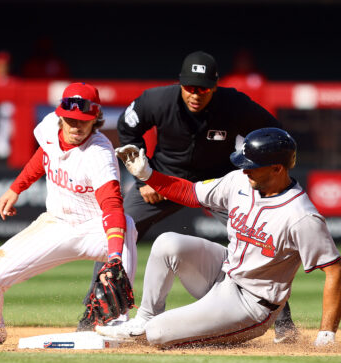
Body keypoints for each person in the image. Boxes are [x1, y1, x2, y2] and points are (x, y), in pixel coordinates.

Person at [81, 50, 295, 343]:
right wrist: (143, 178)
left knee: (259, 236)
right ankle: (95, 313)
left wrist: (248, 165)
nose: (196, 94)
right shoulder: (157, 100)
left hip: (219, 185)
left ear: (215, 86)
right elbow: (128, 127)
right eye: (190, 87)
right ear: (180, 83)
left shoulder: (234, 104)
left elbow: (274, 133)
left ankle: (284, 323)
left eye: (203, 88)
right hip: (163, 181)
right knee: (118, 229)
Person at [96, 128, 341, 348]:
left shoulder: (301, 216)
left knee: (158, 333)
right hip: (223, 272)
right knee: (167, 243)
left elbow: (334, 271)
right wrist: (149, 175)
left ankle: (160, 329)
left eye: (252, 165)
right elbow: (191, 193)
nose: (245, 169)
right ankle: (144, 319)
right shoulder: (240, 181)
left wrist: (327, 333)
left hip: (252, 304)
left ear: (277, 168)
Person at [0, 82, 137, 345]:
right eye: (70, 119)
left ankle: (117, 325)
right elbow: (44, 154)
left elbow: (112, 205)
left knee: (126, 227)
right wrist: (16, 187)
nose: (76, 126)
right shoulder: (48, 126)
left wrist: (113, 256)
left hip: (93, 228)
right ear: (60, 115)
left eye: (83, 120)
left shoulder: (99, 154)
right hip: (55, 223)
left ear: (95, 118)